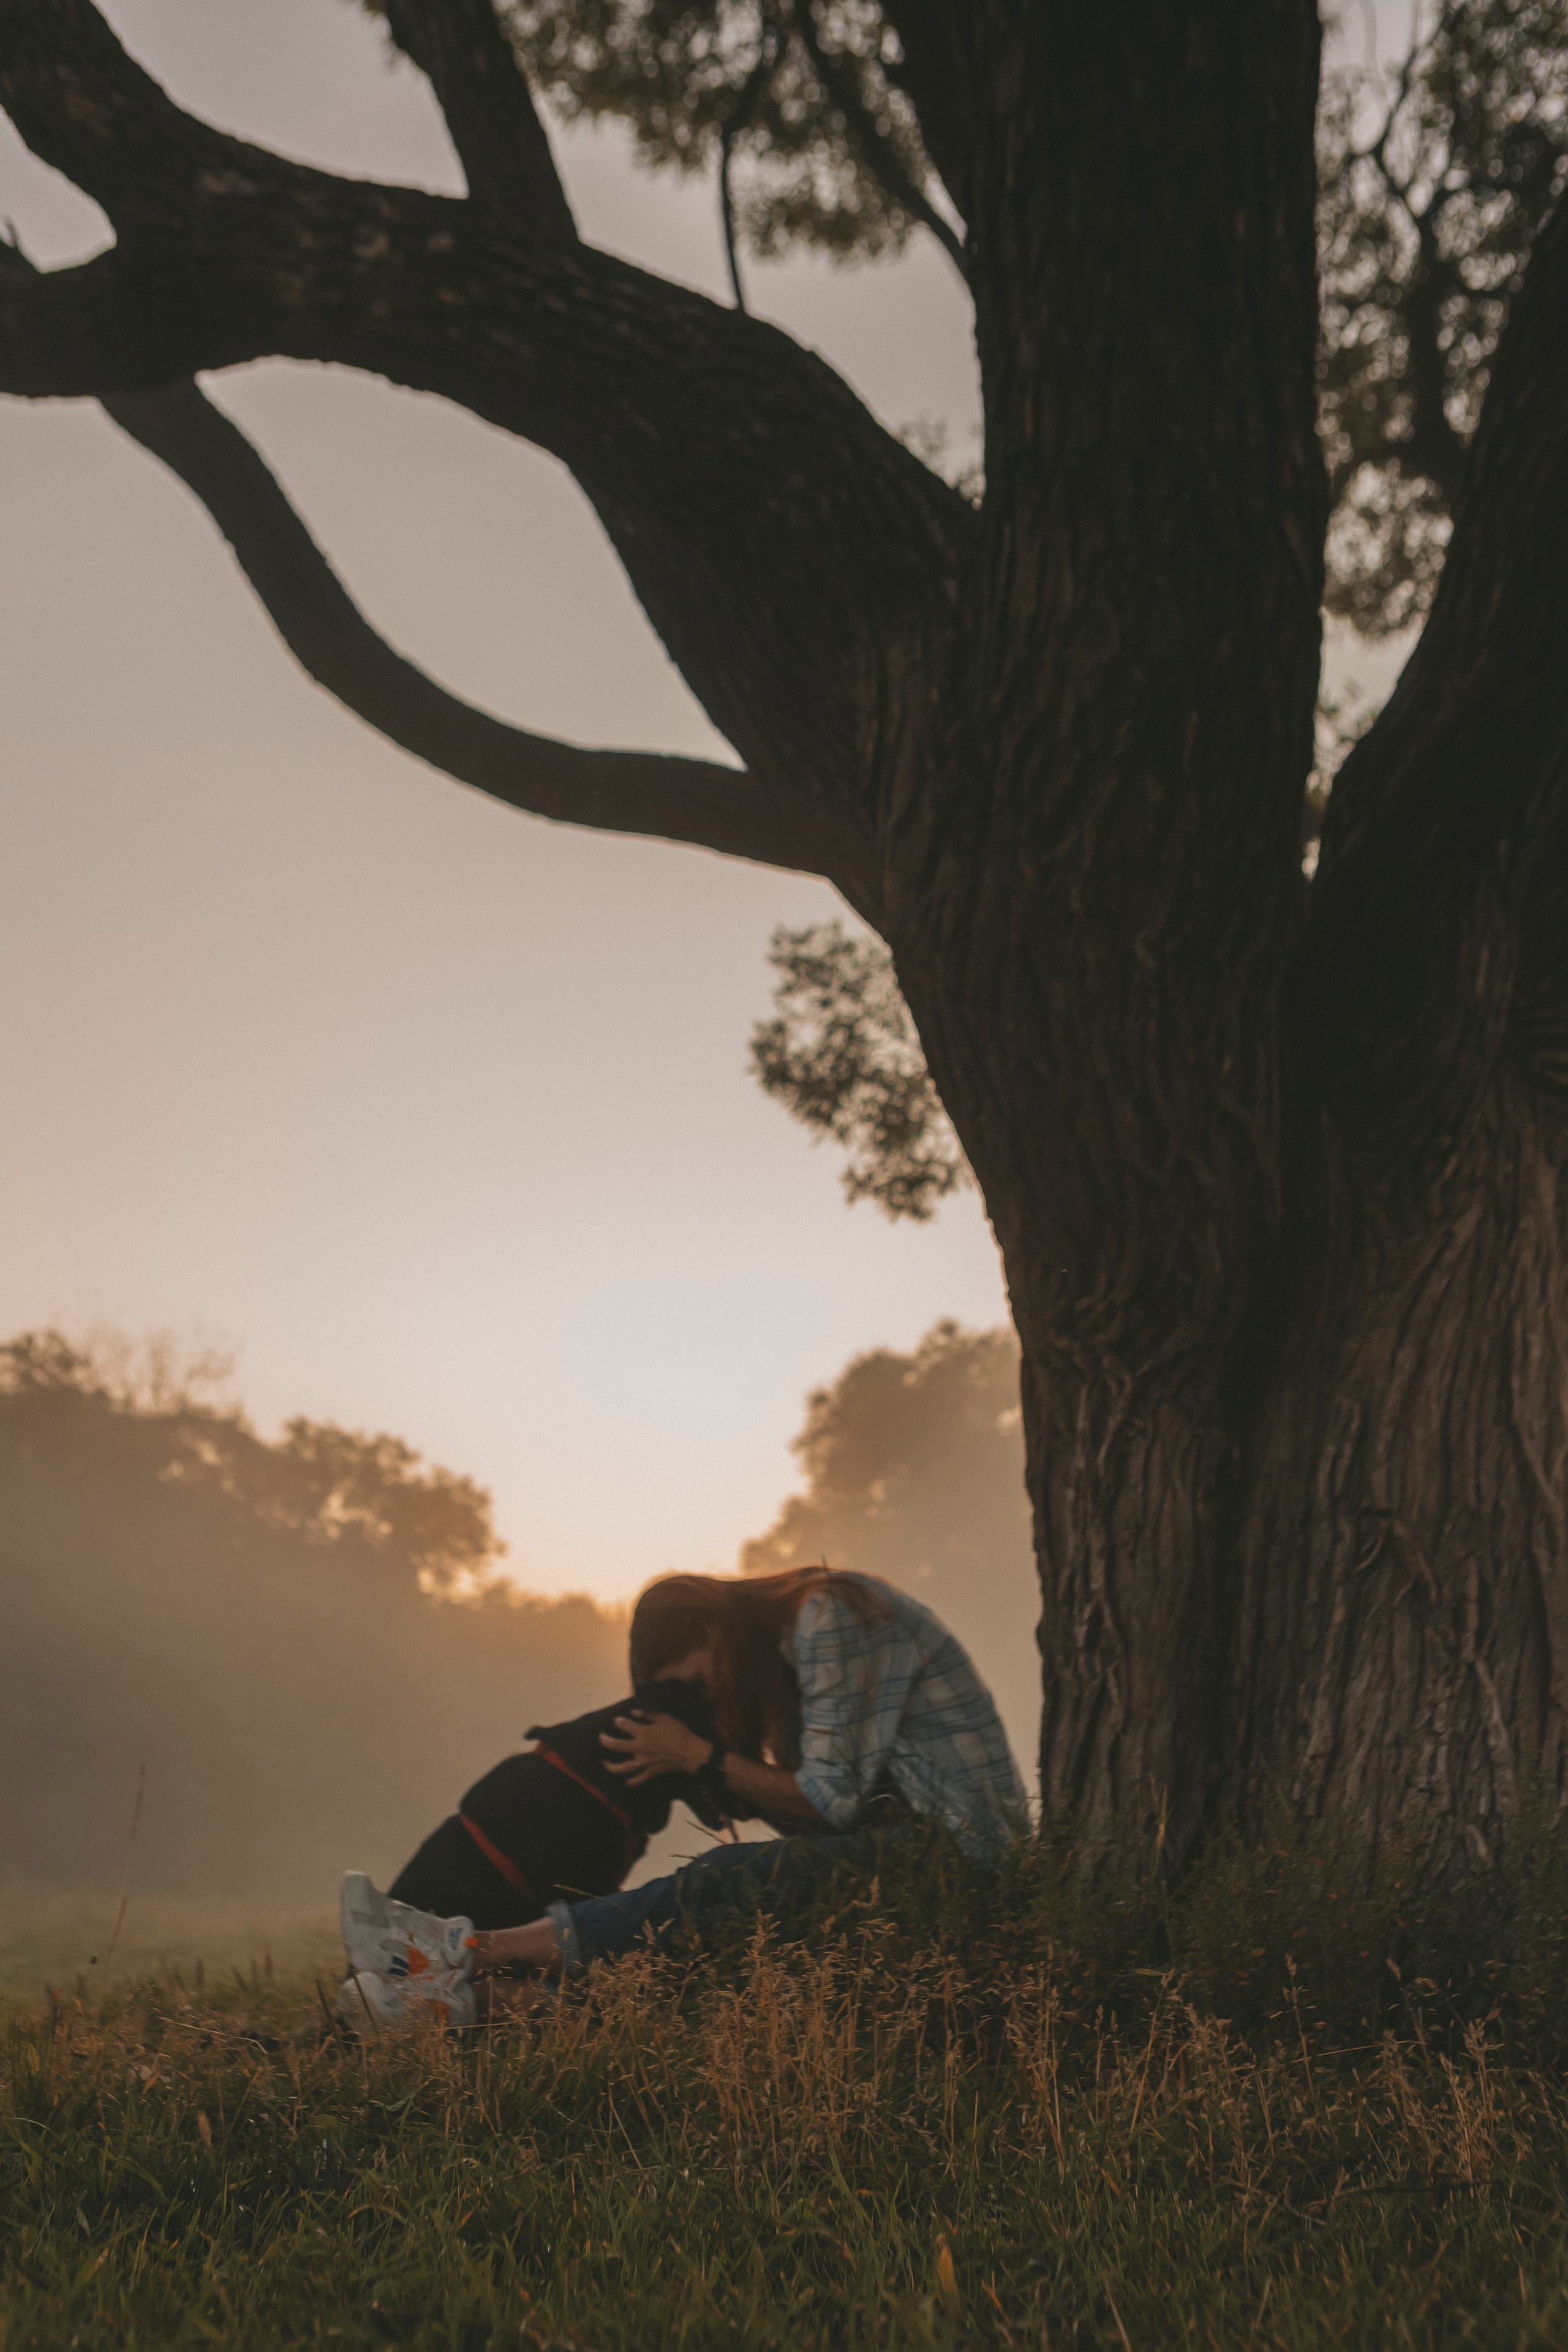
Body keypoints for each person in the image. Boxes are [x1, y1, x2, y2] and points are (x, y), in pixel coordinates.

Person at [341, 1567, 1027, 2018]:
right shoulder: (788, 1689)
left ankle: (456, 1950)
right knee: (728, 1952)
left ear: (710, 1629)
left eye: (696, 1683)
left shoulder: (827, 1616)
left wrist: (696, 1753)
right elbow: (829, 1831)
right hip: (911, 1857)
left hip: (964, 1861)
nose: (707, 1701)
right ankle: (464, 2006)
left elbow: (830, 1802)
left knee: (721, 1881)